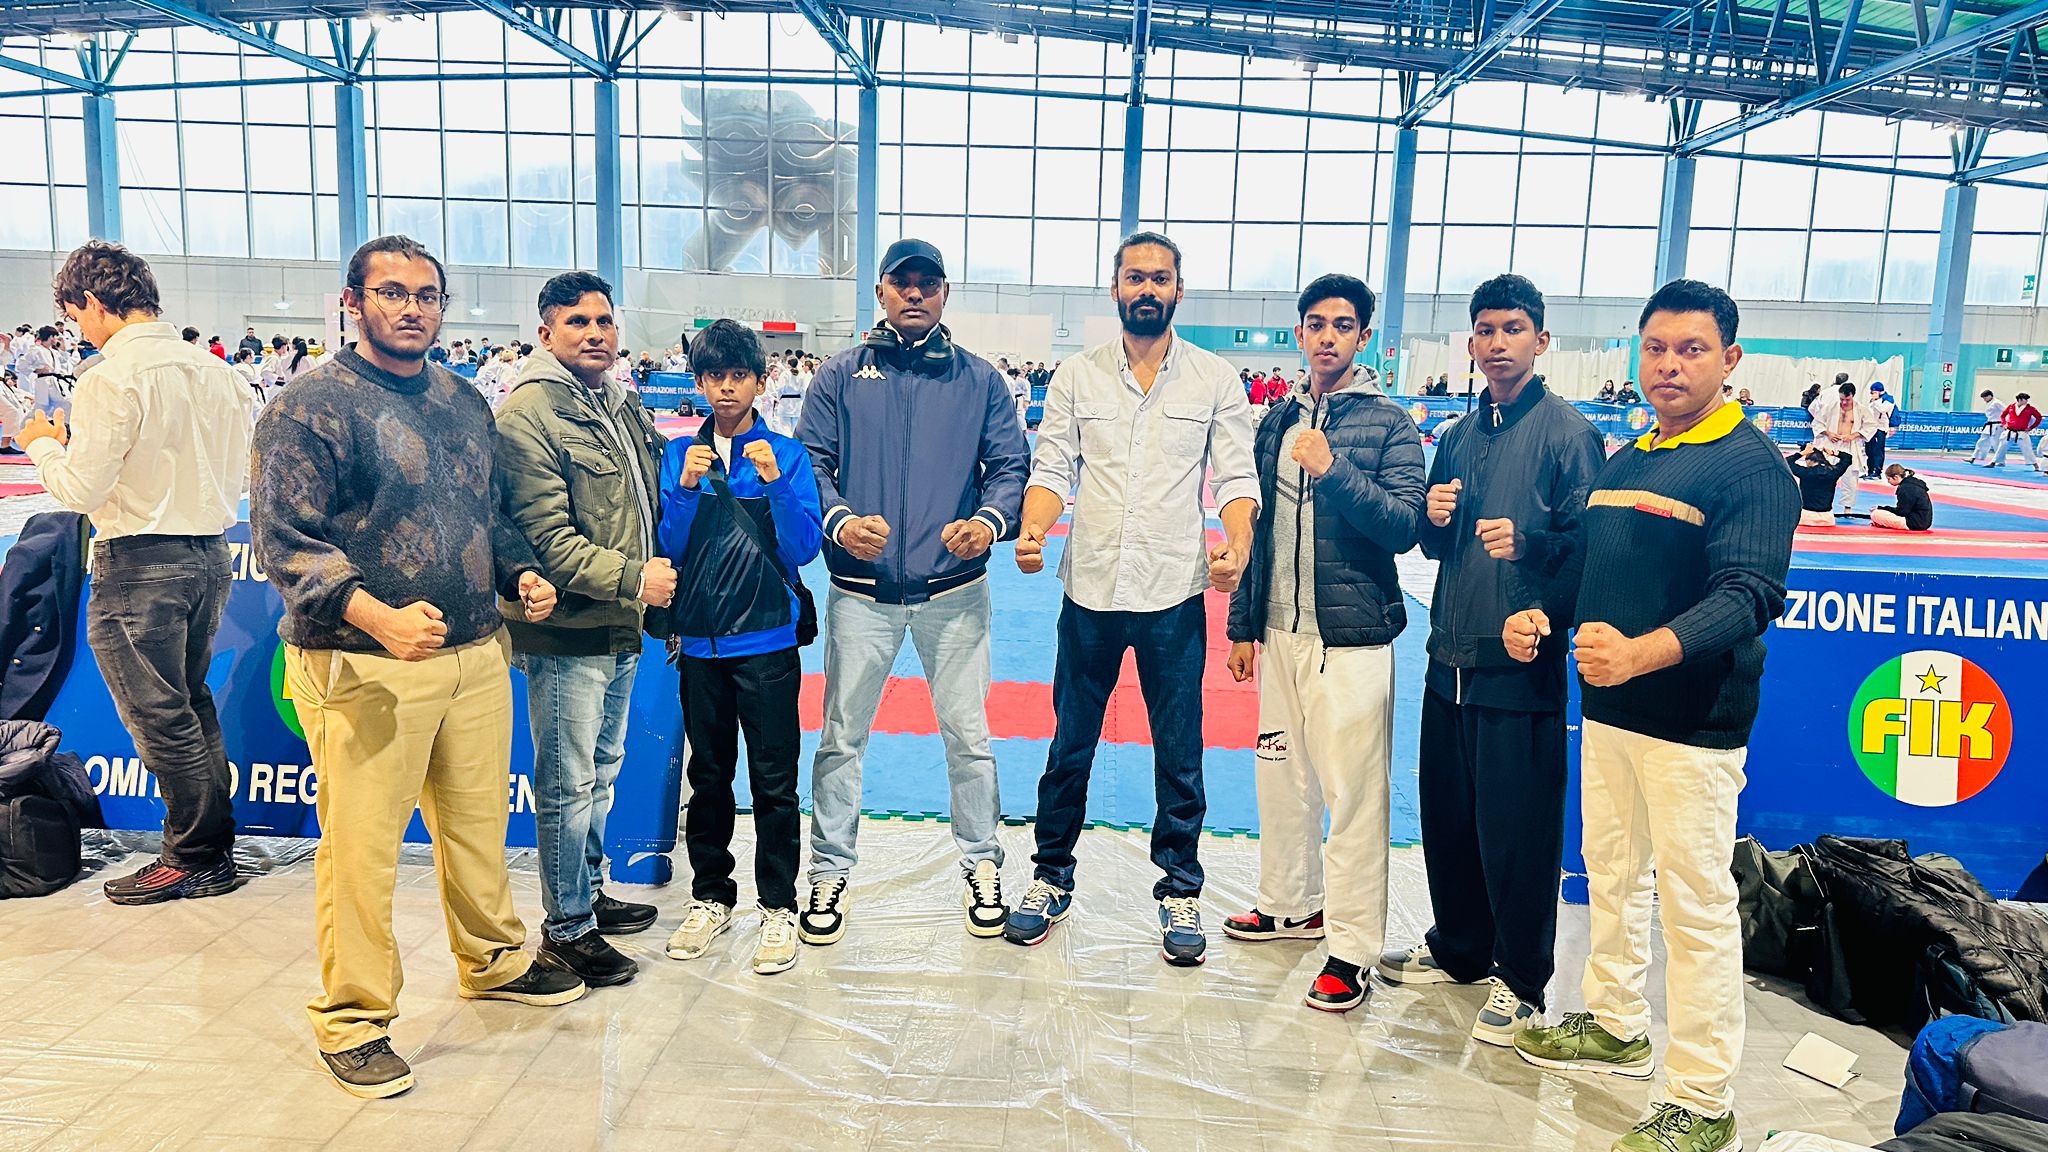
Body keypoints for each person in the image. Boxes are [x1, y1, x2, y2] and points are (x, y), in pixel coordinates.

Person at [251, 235, 586, 1101]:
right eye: (392, 292)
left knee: (477, 830)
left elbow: (489, 514)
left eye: (426, 295)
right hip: (364, 663)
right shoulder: (307, 409)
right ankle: (353, 1019)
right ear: (353, 303)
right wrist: (377, 616)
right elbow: (286, 543)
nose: (411, 308)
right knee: (361, 853)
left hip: (475, 653)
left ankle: (494, 960)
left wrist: (521, 574)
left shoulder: (463, 400)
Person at [1503, 280, 1798, 1152]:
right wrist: (1542, 613)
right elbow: (1587, 570)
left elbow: (1748, 595)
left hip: (1693, 726)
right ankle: (1615, 1023)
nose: (1670, 365)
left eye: (1691, 349)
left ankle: (1703, 1100)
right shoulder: (1629, 458)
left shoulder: (1751, 467)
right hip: (1609, 713)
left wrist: (1641, 653)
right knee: (1613, 875)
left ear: (1729, 359)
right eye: (1656, 348)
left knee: (1696, 906)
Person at [1006, 231, 1259, 966]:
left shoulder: (1215, 378)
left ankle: (1180, 887)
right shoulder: (1076, 375)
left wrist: (1238, 543)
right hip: (1089, 587)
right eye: (1135, 277)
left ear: (1179, 289)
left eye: (1160, 278)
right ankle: (1050, 876)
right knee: (1069, 745)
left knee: (1180, 749)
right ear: (1114, 288)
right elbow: (1053, 468)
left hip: (1174, 590)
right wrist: (1033, 527)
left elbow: (1235, 478)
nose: (1148, 289)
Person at [1378, 274, 1605, 1041]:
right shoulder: (1455, 436)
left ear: (1541, 340)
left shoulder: (1570, 436)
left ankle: (1522, 978)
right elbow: (1433, 547)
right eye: (1485, 330)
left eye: (1513, 329)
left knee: (1517, 831)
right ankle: (1462, 947)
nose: (1497, 343)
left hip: (1520, 662)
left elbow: (1589, 554)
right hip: (1449, 651)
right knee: (1449, 820)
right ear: (1470, 342)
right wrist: (1432, 520)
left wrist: (1532, 546)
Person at [793, 238, 1030, 946]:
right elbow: (811, 462)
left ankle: (982, 862)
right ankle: (828, 870)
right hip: (860, 592)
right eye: (903, 283)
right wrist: (839, 521)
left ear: (945, 293)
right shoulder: (839, 375)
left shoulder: (980, 380)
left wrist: (988, 523)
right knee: (841, 738)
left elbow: (1010, 465)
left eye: (928, 283)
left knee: (969, 737)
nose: (916, 293)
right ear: (882, 292)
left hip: (954, 591)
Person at [18, 240, 252, 905]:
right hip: (209, 555)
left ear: (92, 302)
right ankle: (211, 847)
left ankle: (195, 855)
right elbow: (239, 474)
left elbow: (80, 490)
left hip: (140, 564)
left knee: (161, 720)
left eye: (76, 317)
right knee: (190, 704)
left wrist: (43, 446)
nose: (80, 331)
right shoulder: (221, 374)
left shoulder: (111, 377)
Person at [1219, 273, 1423, 1011]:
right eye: (1315, 324)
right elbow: (1256, 531)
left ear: (1363, 337)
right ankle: (1289, 904)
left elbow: (1404, 526)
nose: (1327, 337)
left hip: (1353, 639)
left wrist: (1333, 470)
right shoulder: (1275, 422)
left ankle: (1352, 947)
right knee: (1282, 780)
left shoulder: (1391, 424)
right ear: (1299, 332)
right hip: (1280, 633)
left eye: (1342, 325)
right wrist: (1243, 625)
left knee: (1353, 797)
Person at [492, 271, 671, 990]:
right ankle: (566, 930)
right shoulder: (528, 415)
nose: (594, 333)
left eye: (603, 321)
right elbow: (546, 539)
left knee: (601, 770)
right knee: (567, 784)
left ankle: (588, 895)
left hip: (619, 621)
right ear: (546, 334)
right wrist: (635, 579)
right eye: (576, 323)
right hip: (567, 628)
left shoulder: (616, 402)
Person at [657, 320, 824, 976]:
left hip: (768, 642)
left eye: (738, 376)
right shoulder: (679, 455)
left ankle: (778, 904)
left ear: (760, 381)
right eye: (714, 376)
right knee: (708, 777)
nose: (726, 388)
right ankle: (710, 896)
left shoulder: (788, 455)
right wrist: (682, 490)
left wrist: (776, 482)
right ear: (699, 382)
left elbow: (803, 549)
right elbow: (668, 551)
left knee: (775, 782)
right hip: (701, 644)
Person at [1808, 381, 1873, 513]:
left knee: (1850, 478)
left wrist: (1854, 435)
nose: (1844, 402)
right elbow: (1817, 423)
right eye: (1841, 399)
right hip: (1831, 445)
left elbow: (1870, 426)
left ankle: (1847, 508)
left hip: (1850, 446)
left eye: (1847, 399)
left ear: (1853, 396)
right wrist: (1828, 433)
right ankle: (1822, 504)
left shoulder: (1861, 410)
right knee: (1825, 474)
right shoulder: (1830, 407)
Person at [1787, 442, 1853, 527]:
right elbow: (1847, 458)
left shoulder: (1805, 472)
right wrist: (1833, 453)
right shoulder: (1833, 472)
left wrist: (1803, 452)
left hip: (1806, 517)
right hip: (1827, 518)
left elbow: (1786, 462)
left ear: (1808, 460)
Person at [1991, 391, 2043, 471]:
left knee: (2027, 449)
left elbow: (2039, 417)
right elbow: (2002, 416)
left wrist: (2031, 427)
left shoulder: (2030, 408)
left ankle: (2036, 466)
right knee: (2001, 447)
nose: (2026, 401)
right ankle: (1993, 462)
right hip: (2009, 431)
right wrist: (2004, 424)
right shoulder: (2011, 407)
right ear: (2019, 400)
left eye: (2027, 400)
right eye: (2025, 399)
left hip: (2022, 432)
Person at [1873, 464, 1933, 532]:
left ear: (1896, 477)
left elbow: (1901, 512)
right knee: (1881, 513)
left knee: (1875, 514)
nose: (1888, 482)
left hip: (1914, 523)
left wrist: (1882, 508)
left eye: (1889, 479)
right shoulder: (1913, 483)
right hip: (1923, 522)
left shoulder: (1905, 488)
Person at [1863, 383, 1895, 478]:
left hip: (1881, 428)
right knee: (1869, 450)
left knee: (1878, 450)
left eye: (1874, 392)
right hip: (1871, 428)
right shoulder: (1873, 401)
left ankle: (1877, 471)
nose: (1872, 394)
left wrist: (1876, 400)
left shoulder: (1888, 399)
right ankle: (1870, 470)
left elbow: (1882, 409)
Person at [1971, 389, 2003, 465]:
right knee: (1981, 441)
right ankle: (1973, 457)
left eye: (1985, 398)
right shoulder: (1989, 403)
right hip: (1989, 425)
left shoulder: (1997, 403)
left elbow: (2007, 411)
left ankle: (2000, 461)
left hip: (1997, 425)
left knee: (1996, 444)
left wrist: (2005, 422)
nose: (1984, 399)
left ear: (1990, 396)